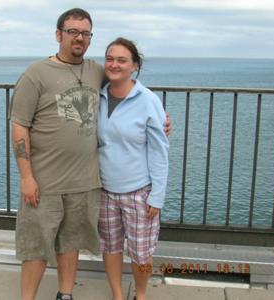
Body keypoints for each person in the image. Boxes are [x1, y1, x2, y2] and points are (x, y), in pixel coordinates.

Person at [10, 8, 171, 300]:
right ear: (58, 35)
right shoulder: (36, 74)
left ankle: (66, 294)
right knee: (36, 245)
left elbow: (128, 90)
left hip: (85, 181)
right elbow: (19, 127)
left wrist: (159, 119)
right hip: (44, 181)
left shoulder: (96, 71)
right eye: (72, 31)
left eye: (85, 33)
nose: (79, 38)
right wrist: (26, 177)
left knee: (70, 242)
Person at [97, 37, 169, 300]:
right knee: (111, 247)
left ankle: (140, 294)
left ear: (134, 66)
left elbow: (160, 150)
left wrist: (157, 195)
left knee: (141, 252)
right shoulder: (98, 95)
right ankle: (117, 295)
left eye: (122, 60)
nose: (114, 64)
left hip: (139, 192)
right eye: (110, 58)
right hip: (105, 190)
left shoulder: (147, 100)